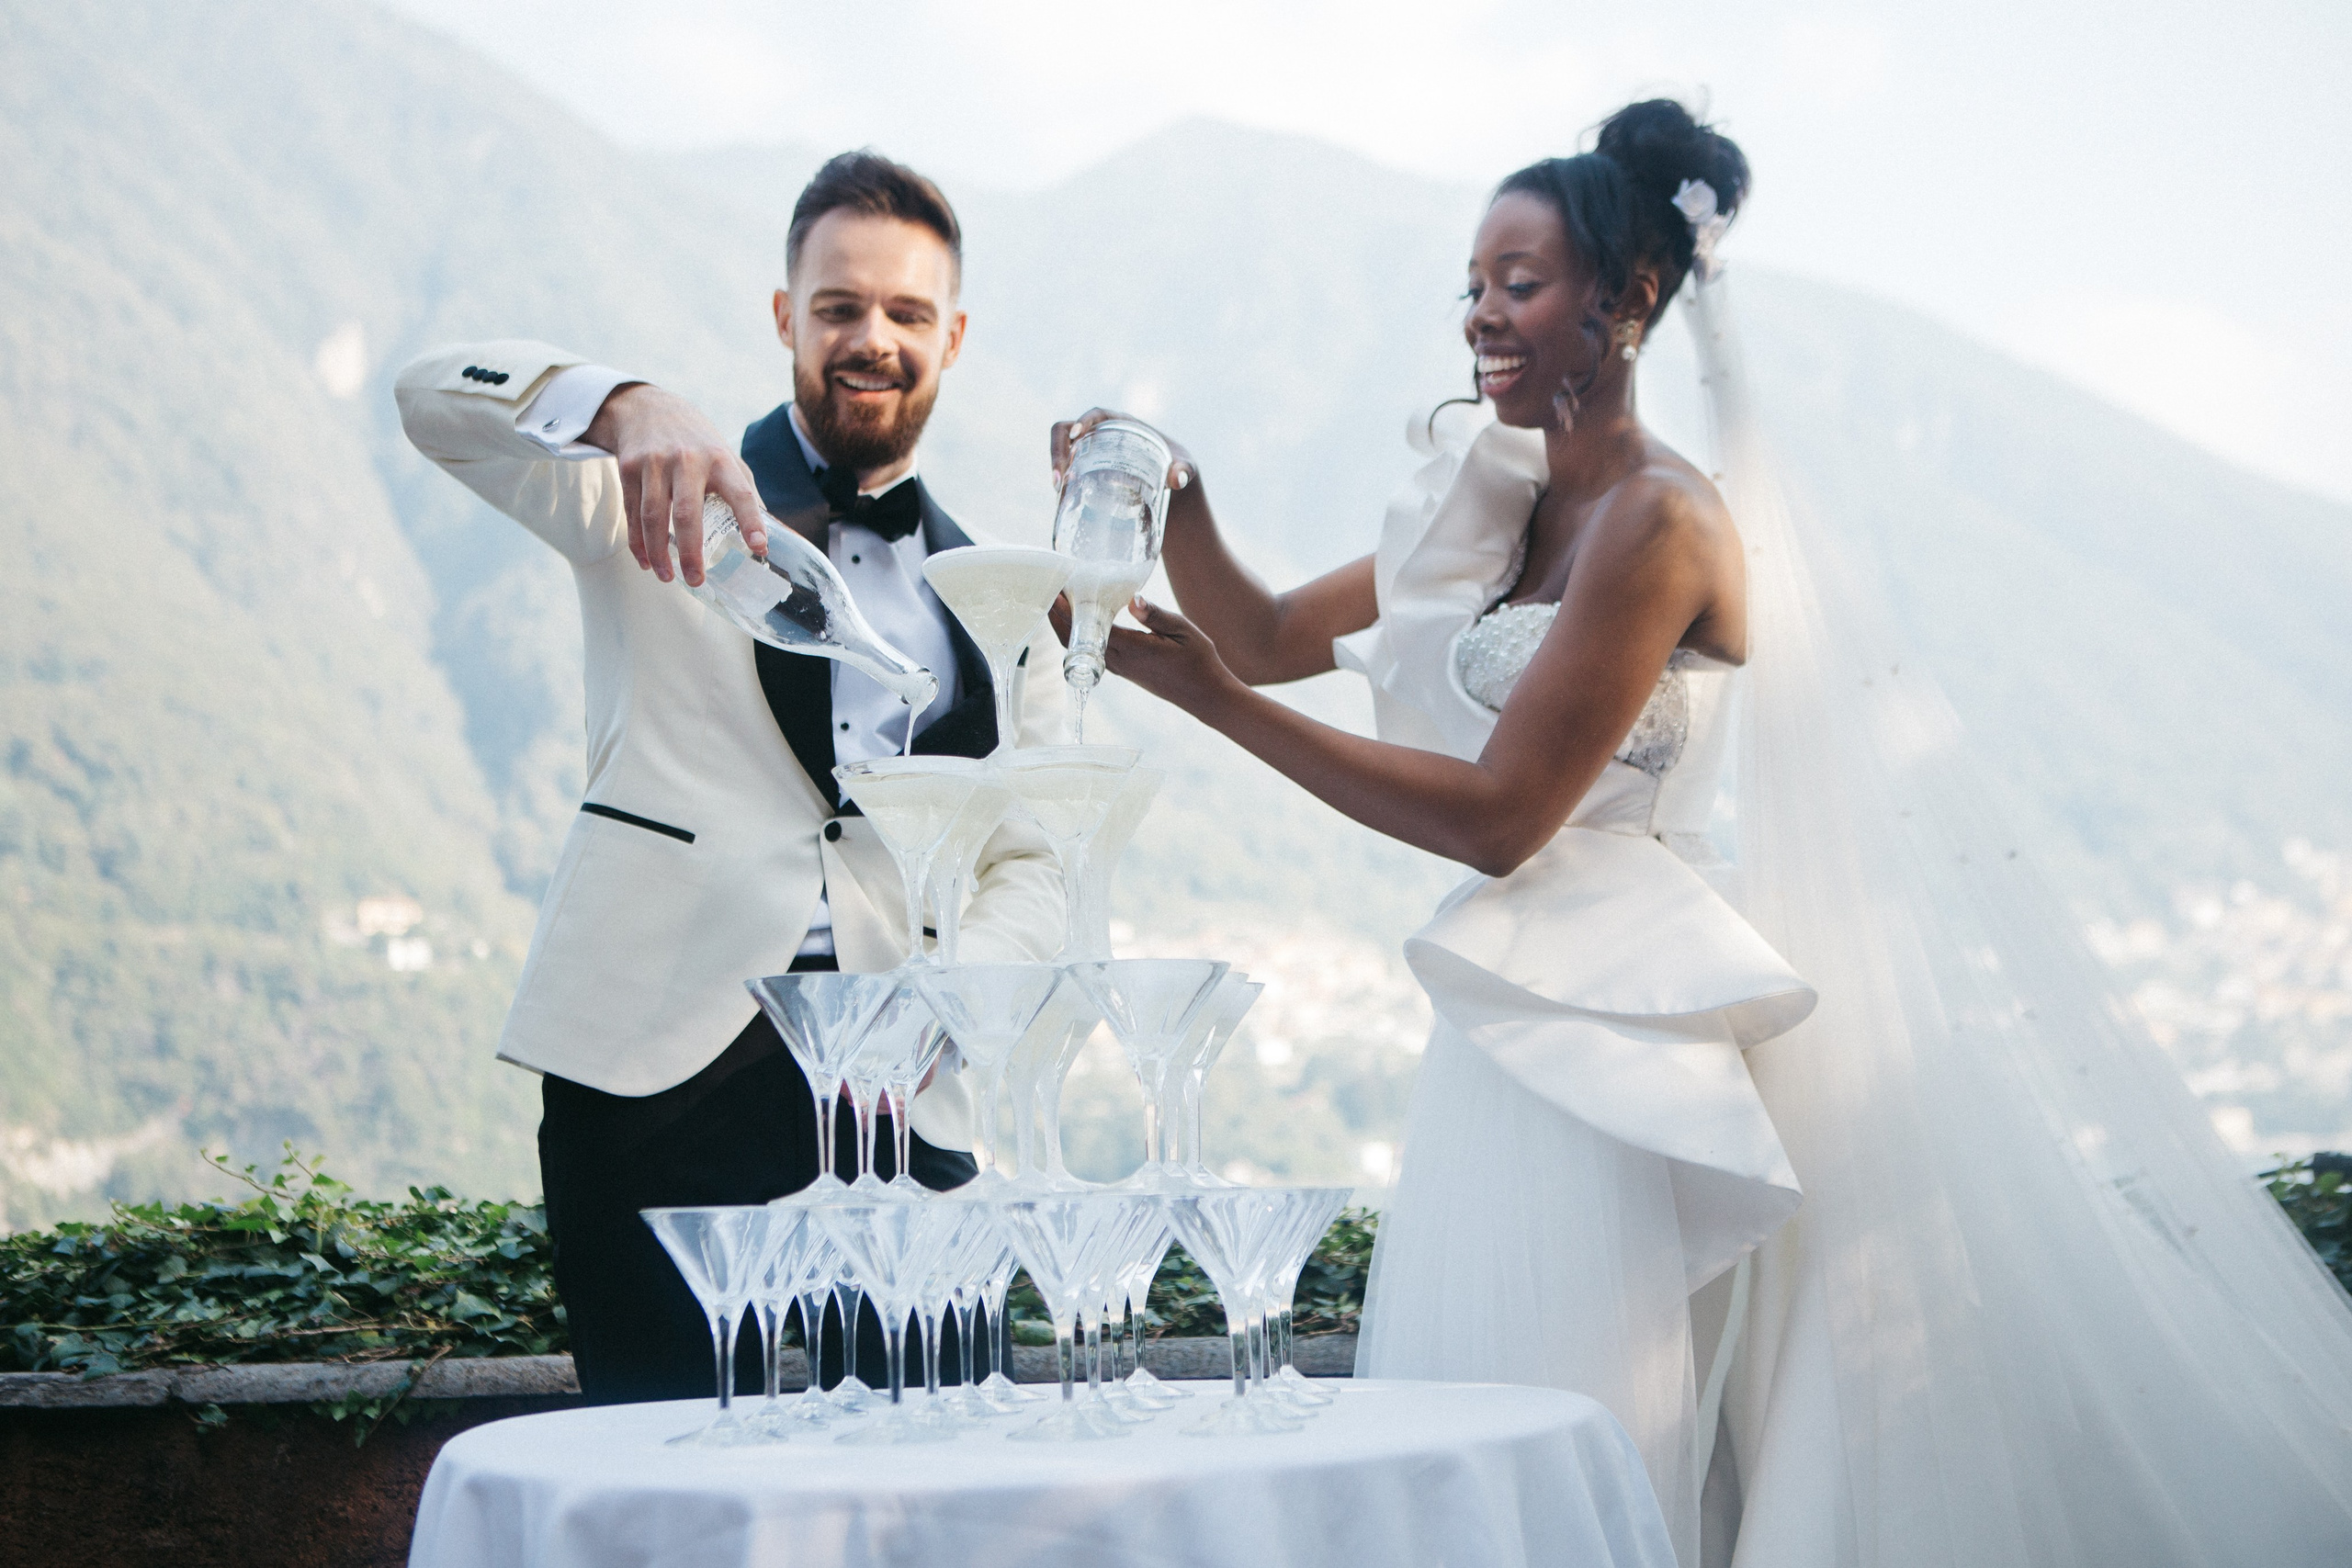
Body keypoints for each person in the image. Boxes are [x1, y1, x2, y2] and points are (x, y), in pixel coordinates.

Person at [1055, 99, 2352, 1567]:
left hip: (1623, 1025)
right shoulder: (1510, 500)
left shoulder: (1663, 522)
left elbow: (1502, 820)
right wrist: (1182, 502)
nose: (1481, 313)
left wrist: (1216, 708)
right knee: (1490, 1419)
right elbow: (1274, 629)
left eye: (1520, 281)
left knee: (1597, 1426)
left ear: (1633, 298)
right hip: (1509, 1020)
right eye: (1472, 283)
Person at [395, 152, 1065, 1404]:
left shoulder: (997, 589)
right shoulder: (658, 496)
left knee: (949, 1475)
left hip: (903, 1097)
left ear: (953, 336)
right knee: (661, 1477)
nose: (873, 339)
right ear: (784, 317)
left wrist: (963, 1000)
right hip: (658, 1064)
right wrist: (620, 402)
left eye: (908, 314)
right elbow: (429, 399)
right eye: (840, 307)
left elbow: (1030, 857)